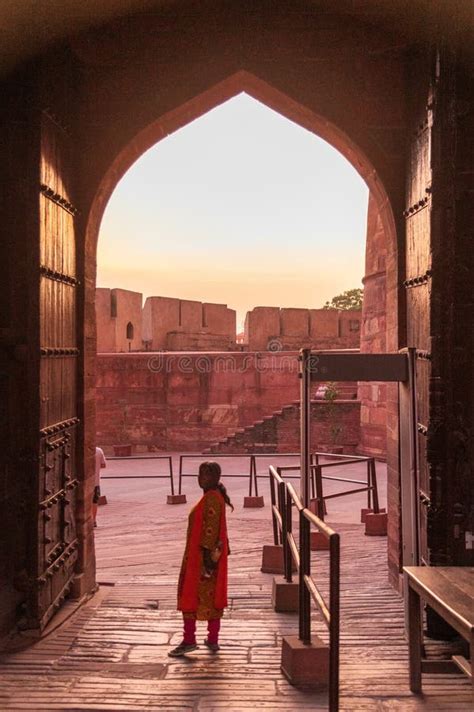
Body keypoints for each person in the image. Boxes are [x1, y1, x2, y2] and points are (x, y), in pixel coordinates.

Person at [168, 461, 233, 657]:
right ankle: (212, 639)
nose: (201, 478)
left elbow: (211, 530)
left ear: (215, 478)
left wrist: (207, 560)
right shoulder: (214, 497)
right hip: (207, 557)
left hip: (203, 559)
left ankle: (189, 640)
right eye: (199, 474)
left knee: (191, 595)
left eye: (206, 475)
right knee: (212, 597)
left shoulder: (212, 498)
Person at [94, 446, 106, 527]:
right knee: (94, 502)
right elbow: (103, 465)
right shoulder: (98, 450)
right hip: (95, 481)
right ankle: (93, 520)